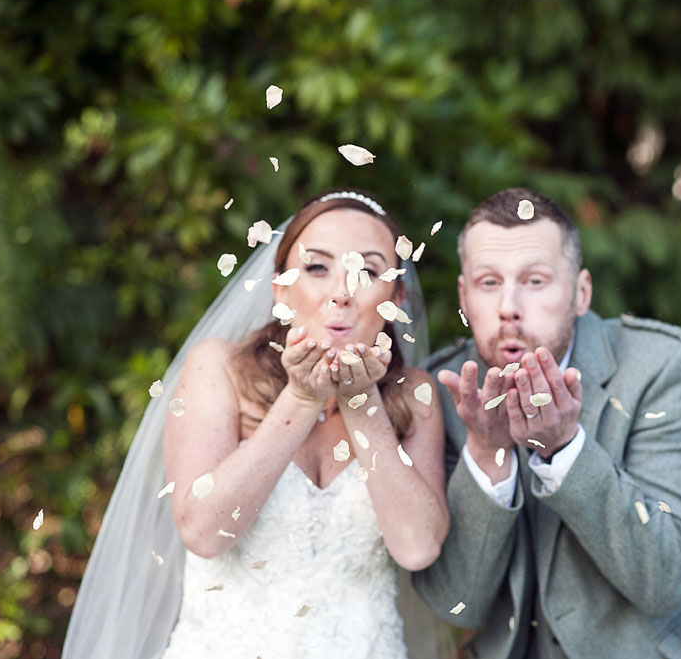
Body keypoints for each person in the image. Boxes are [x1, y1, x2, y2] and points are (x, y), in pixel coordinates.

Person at [62, 190, 451, 659]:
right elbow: (204, 532)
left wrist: (360, 399)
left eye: (367, 270)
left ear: (396, 296)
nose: (341, 293)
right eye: (316, 267)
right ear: (281, 288)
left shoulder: (415, 394)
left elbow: (418, 548)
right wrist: (303, 396)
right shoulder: (218, 369)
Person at [413, 188, 681, 659]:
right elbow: (459, 606)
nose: (509, 307)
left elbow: (670, 582)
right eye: (489, 282)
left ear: (580, 293)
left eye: (535, 281)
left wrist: (563, 448)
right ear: (464, 296)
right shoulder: (441, 389)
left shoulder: (660, 366)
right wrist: (485, 450)